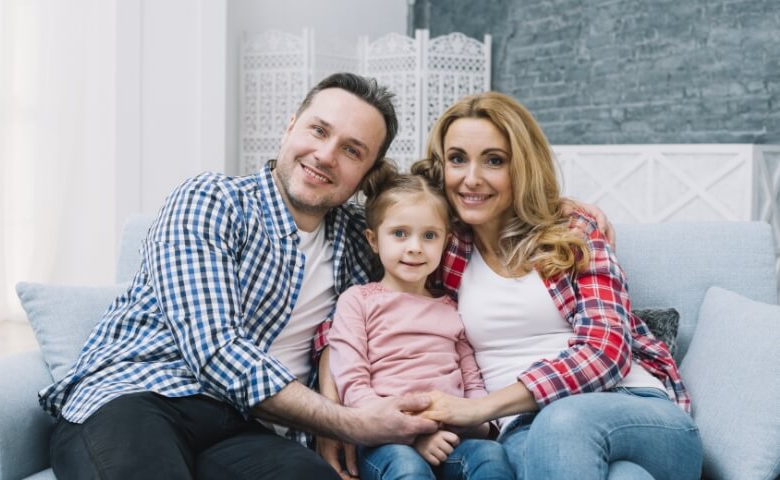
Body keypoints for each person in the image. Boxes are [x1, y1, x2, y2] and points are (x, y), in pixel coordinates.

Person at [38, 72, 440, 480]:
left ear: (368, 172)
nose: (325, 155)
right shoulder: (213, 200)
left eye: (352, 150)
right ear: (290, 127)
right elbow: (215, 348)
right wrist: (347, 422)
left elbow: (443, 242)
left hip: (245, 430)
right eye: (318, 130)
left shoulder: (364, 240)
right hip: (140, 395)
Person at [410, 92, 703, 479]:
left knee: (562, 422)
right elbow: (386, 235)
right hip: (523, 429)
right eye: (457, 159)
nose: (472, 178)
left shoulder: (573, 232)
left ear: (522, 167)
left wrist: (479, 408)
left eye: (494, 160)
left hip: (634, 408)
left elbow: (606, 351)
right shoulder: (441, 249)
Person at [328, 171, 512, 480]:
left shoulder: (451, 307)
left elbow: (472, 382)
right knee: (407, 467)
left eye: (429, 236)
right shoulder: (358, 301)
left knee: (490, 456)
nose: (415, 247)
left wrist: (479, 422)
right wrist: (413, 435)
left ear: (446, 241)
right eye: (400, 233)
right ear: (373, 240)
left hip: (452, 436)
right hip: (383, 438)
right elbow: (353, 384)